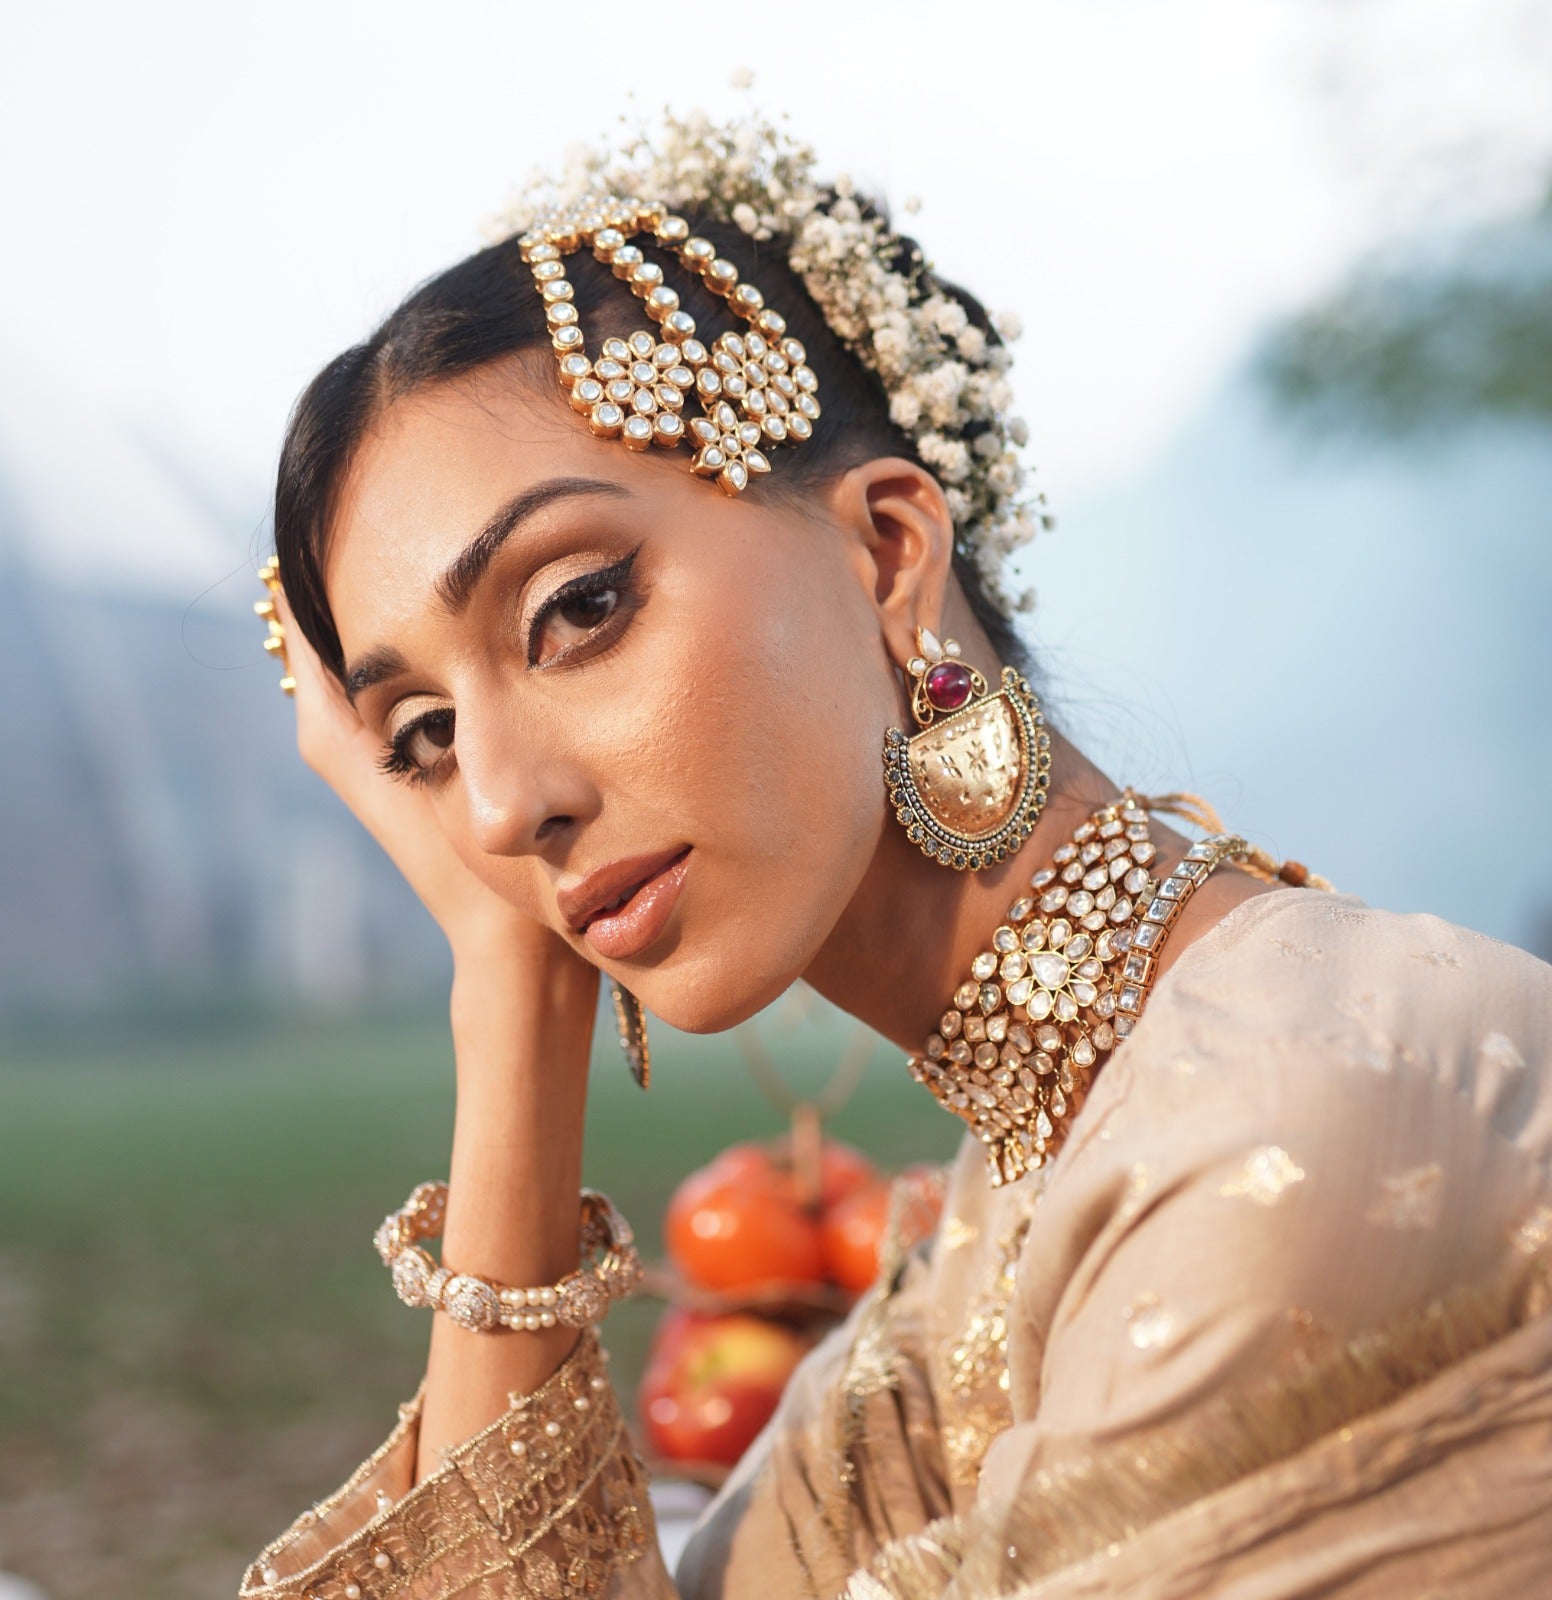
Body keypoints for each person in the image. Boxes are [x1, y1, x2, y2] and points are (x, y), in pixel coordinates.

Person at [239, 112, 1552, 1599]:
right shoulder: (979, 1261)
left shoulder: (1286, 1133)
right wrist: (510, 995)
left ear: (886, 552)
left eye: (581, 606)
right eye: (420, 736)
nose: (495, 808)